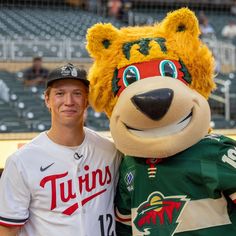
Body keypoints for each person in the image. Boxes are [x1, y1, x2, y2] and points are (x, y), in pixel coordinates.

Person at [0, 63, 122, 236]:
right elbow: (8, 229)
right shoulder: (21, 161)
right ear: (47, 99)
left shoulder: (110, 151)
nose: (69, 101)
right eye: (60, 93)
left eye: (77, 93)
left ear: (87, 100)